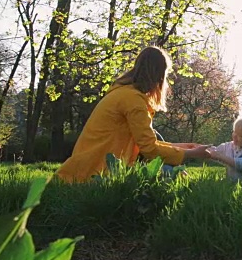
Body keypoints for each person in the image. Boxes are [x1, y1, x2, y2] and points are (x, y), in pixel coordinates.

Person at [56, 46, 212, 183]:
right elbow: (149, 150)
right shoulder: (133, 101)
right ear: (159, 75)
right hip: (96, 172)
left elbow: (146, 142)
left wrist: (186, 147)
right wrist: (192, 153)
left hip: (87, 166)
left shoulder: (123, 93)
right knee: (170, 173)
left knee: (158, 140)